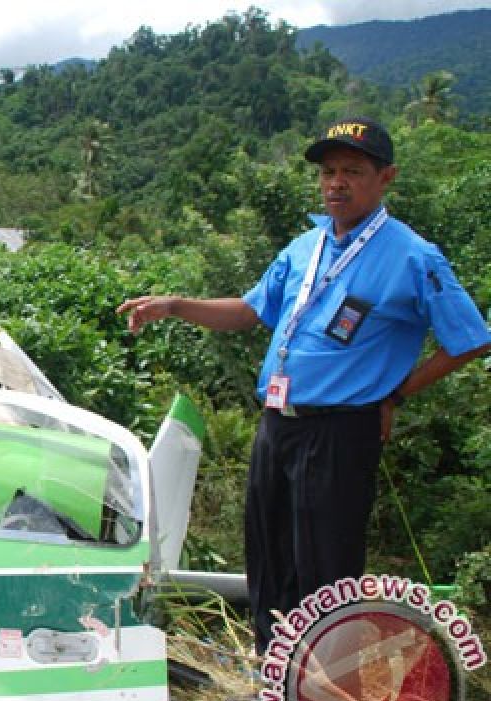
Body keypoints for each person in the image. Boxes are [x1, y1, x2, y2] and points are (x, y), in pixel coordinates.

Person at [117, 116, 491, 654]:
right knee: (269, 556)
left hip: (341, 430)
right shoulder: (304, 249)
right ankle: (274, 680)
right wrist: (174, 306)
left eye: (353, 172)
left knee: (326, 567)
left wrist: (395, 394)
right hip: (278, 423)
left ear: (386, 178)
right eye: (329, 172)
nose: (337, 182)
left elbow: (470, 340)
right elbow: (249, 311)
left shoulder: (412, 256)